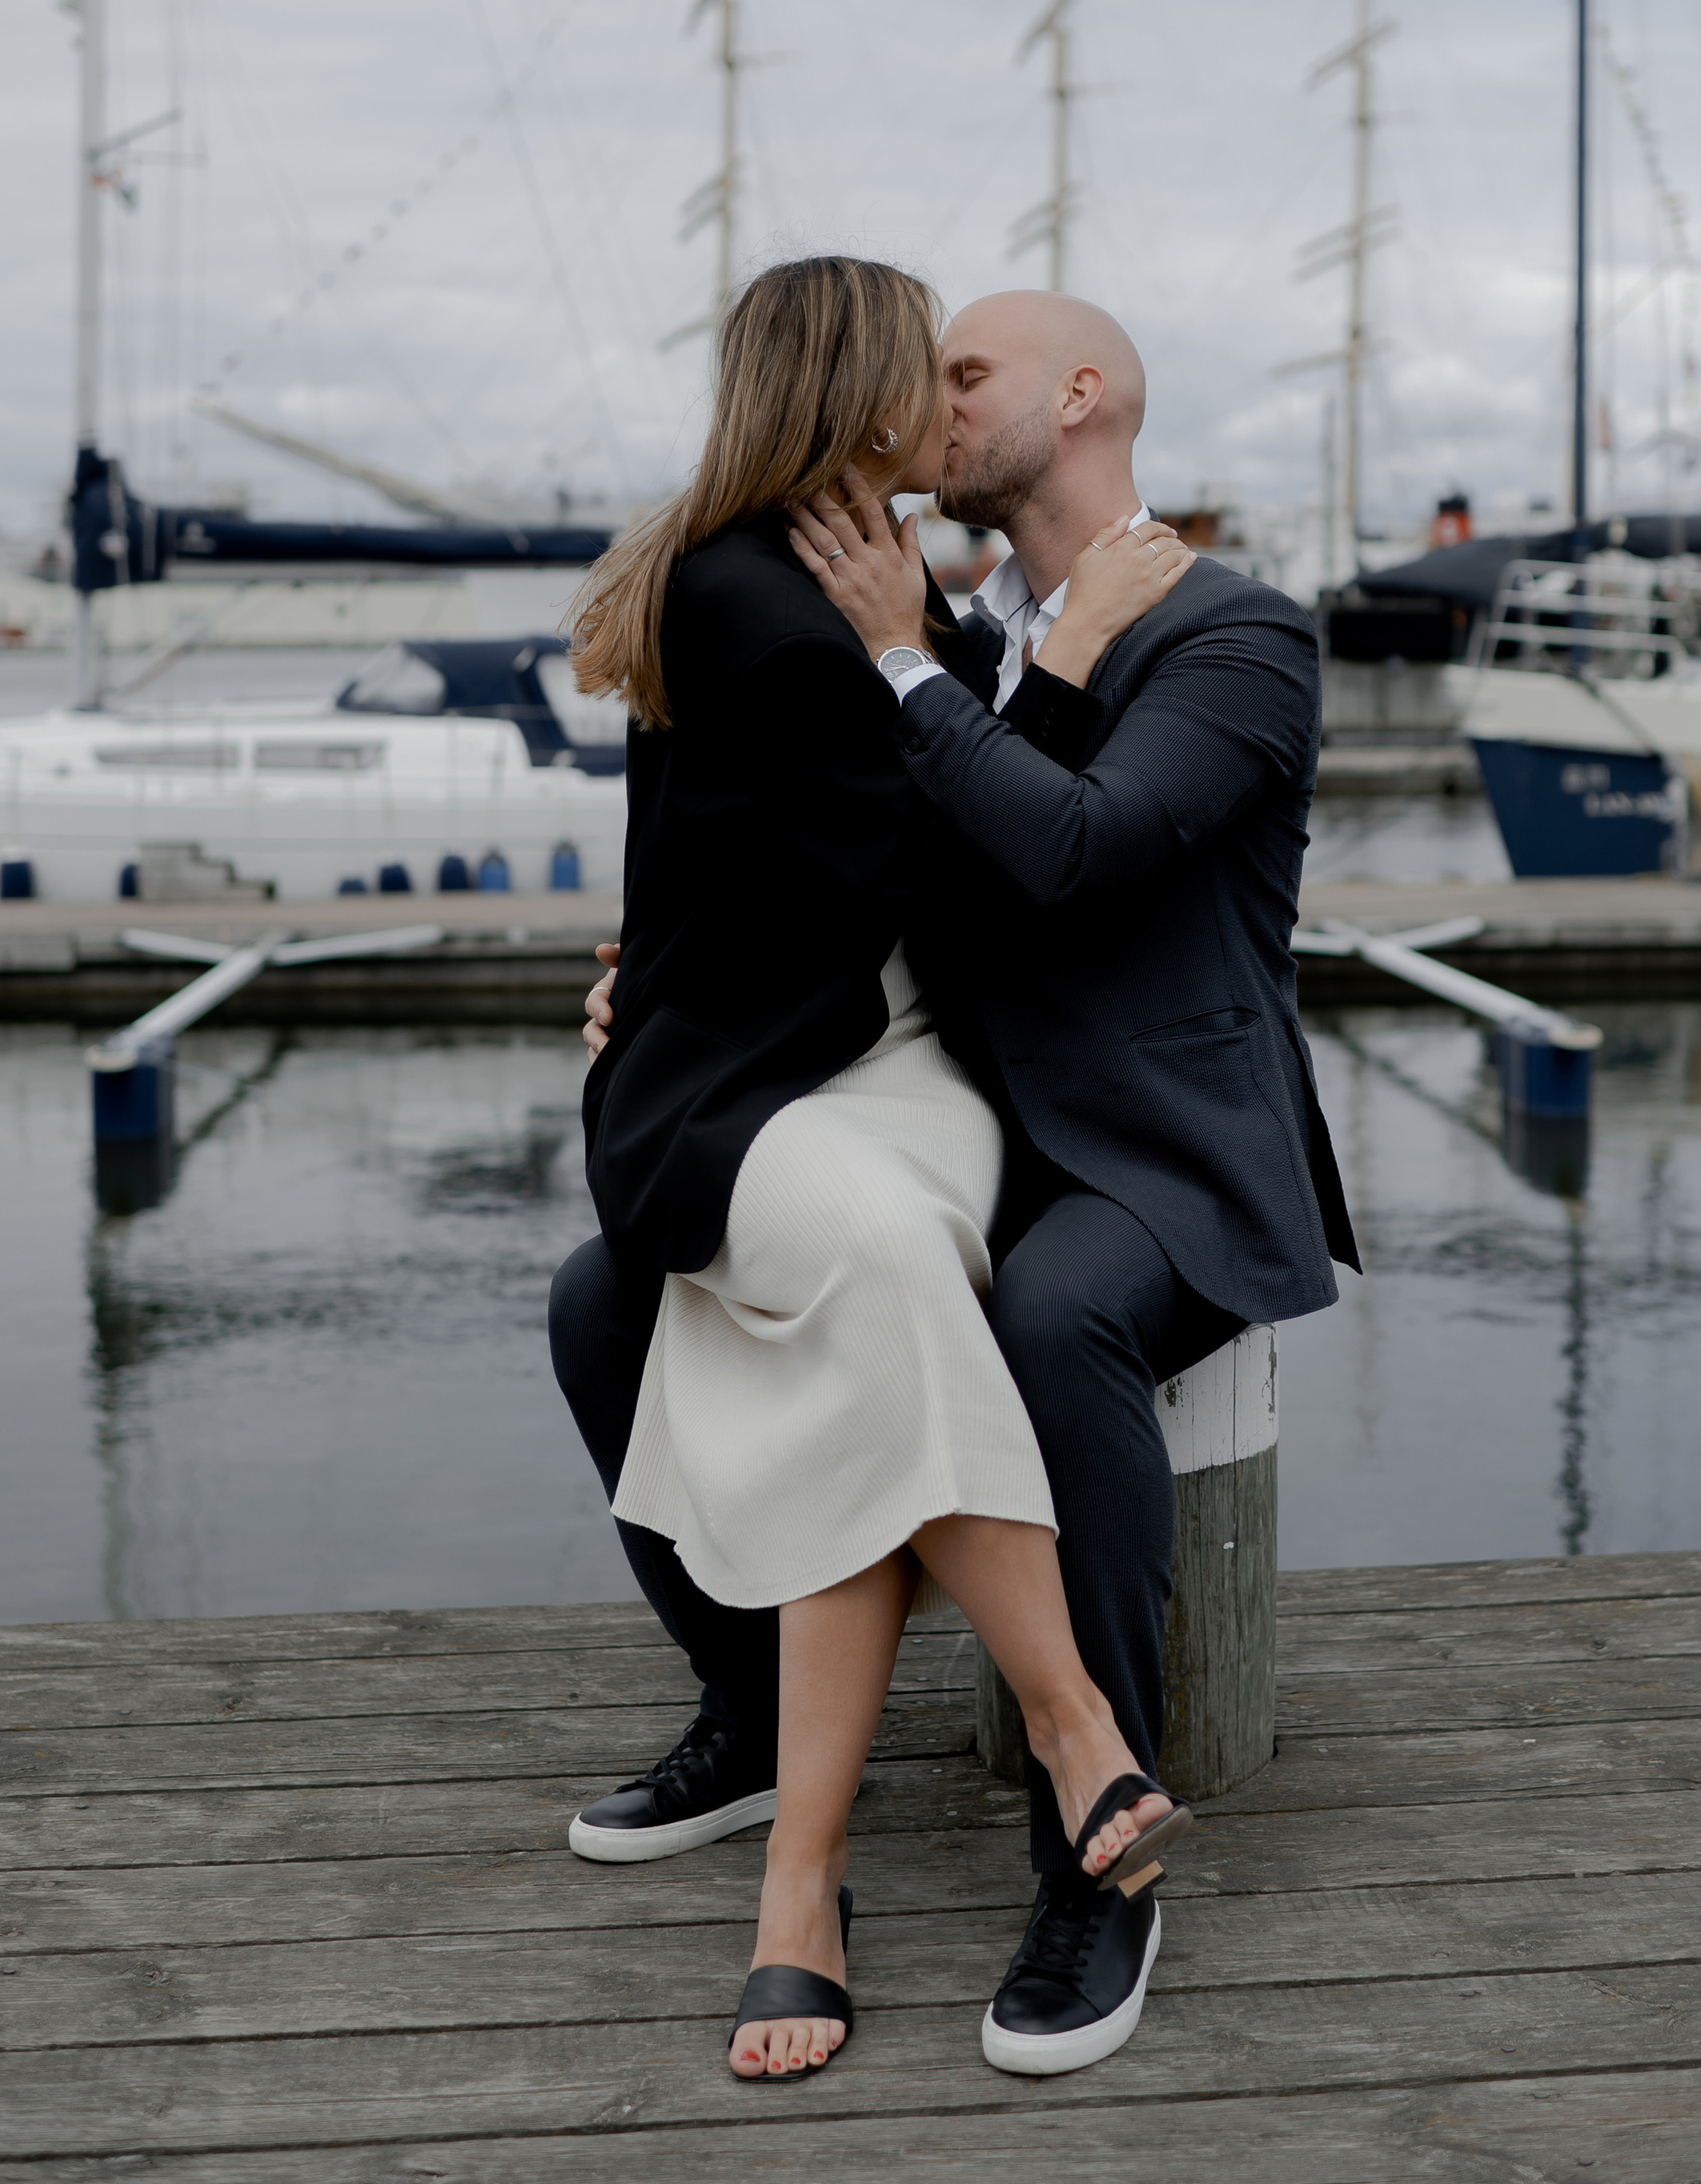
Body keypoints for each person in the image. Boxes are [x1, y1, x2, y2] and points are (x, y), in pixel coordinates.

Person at [564, 283, 1358, 2078]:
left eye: (969, 370)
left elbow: (1054, 856)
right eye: (920, 369)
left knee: (1047, 1306)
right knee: (603, 1295)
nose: (937, 396)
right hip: (937, 1103)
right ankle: (757, 1708)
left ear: (1077, 399)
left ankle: (1090, 1858)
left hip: (1150, 1152)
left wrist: (953, 677)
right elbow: (813, 849)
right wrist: (669, 971)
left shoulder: (1229, 634)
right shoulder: (908, 610)